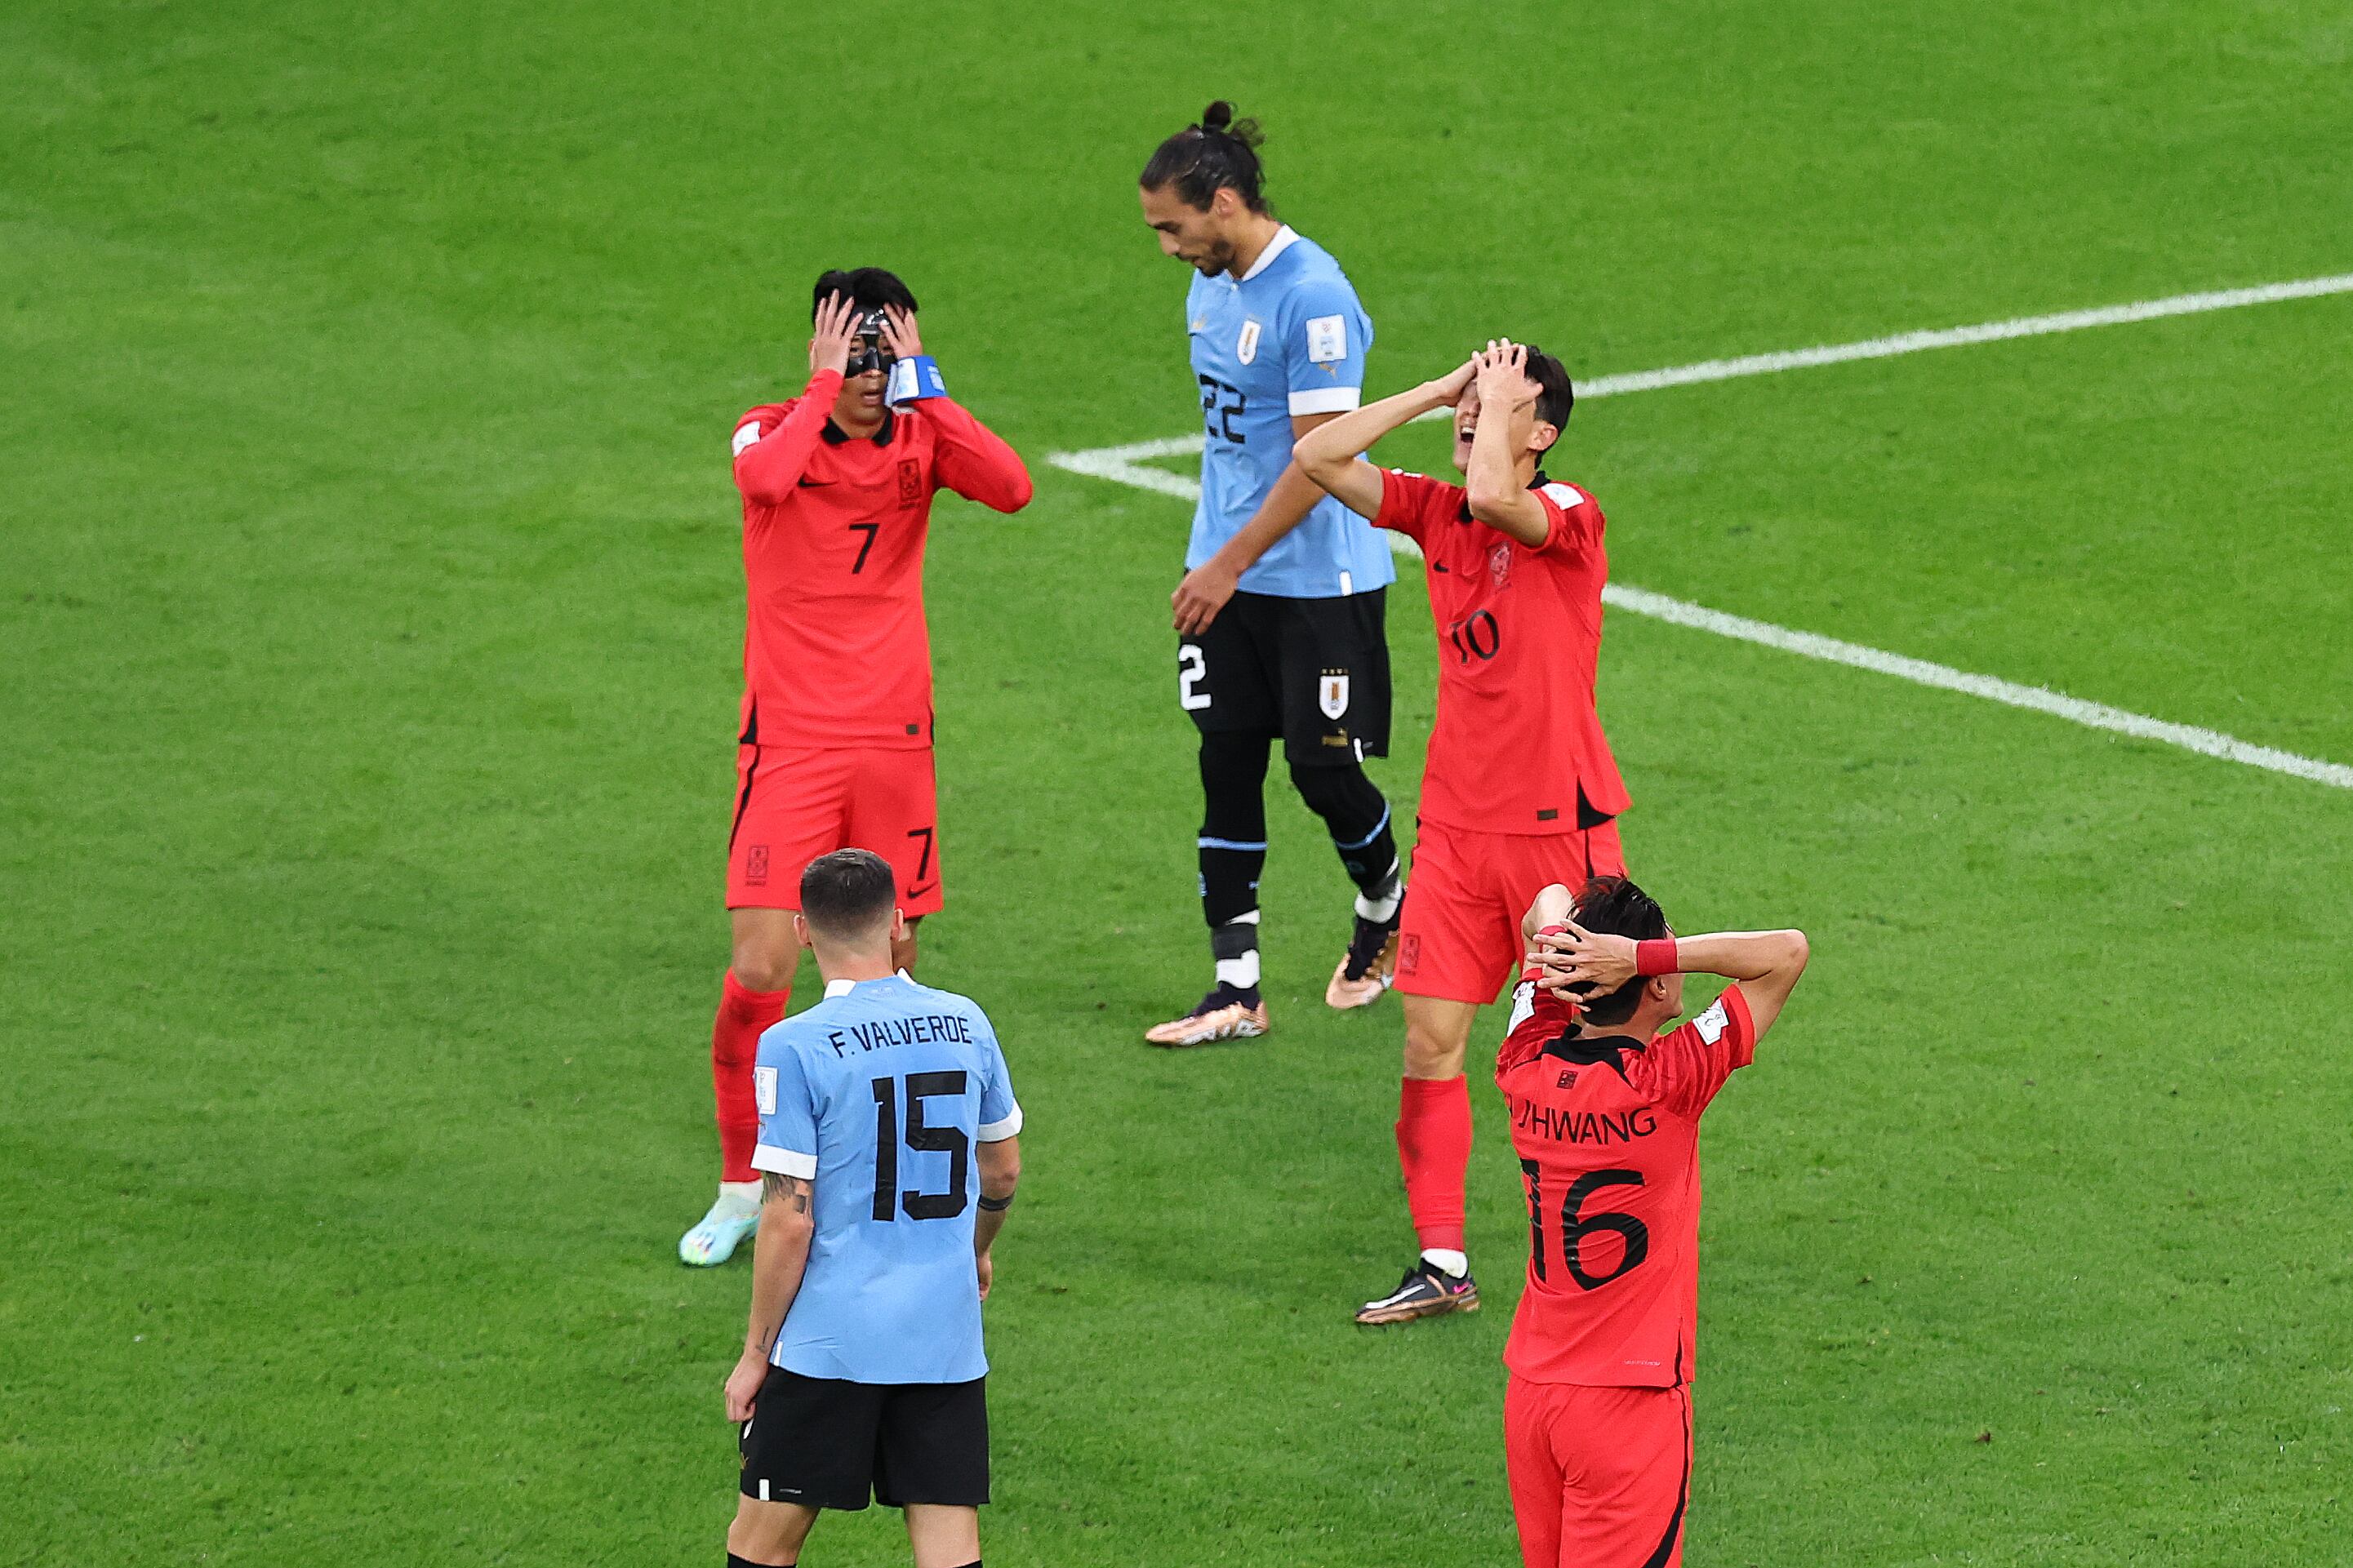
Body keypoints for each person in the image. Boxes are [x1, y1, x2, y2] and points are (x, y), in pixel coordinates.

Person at [682, 272, 1033, 1267]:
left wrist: (928, 382)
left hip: (893, 744)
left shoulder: (924, 434)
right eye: (859, 357)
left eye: (886, 358)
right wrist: (820, 382)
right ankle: (741, 1183)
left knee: (892, 971)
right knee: (763, 967)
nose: (873, 379)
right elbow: (762, 482)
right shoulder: (768, 428)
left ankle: (864, 1177)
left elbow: (1011, 487)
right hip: (790, 743)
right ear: (824, 351)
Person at [1292, 341, 1633, 1322]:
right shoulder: (1435, 509)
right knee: (1429, 1039)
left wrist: (1490, 410)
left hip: (1551, 829)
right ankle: (1443, 1263)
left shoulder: (1566, 516)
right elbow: (1317, 457)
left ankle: (1595, 1242)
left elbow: (1495, 500)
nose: (1469, 420)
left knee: (1579, 1040)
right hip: (1453, 826)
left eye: (1494, 405)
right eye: (1467, 404)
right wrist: (1435, 392)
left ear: (1544, 433)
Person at [1135, 101, 1407, 1048]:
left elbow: (1319, 459)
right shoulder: (1208, 286)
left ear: (1222, 202)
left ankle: (1385, 899)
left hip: (1314, 583)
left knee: (1321, 769)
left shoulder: (1314, 298)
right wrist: (1213, 562)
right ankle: (1234, 985)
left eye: (1173, 226)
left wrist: (1228, 562)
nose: (1166, 247)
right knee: (1224, 760)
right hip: (1222, 573)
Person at [1492, 876, 1807, 1567]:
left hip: (1534, 1398)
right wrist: (1641, 956)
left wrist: (1574, 954)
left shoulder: (1524, 1057)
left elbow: (1544, 898)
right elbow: (1787, 951)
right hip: (1627, 1409)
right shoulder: (1670, 1080)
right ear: (1657, 982)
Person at [722, 849, 1024, 1568]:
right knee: (949, 1542)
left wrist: (756, 1353)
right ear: (896, 921)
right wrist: (977, 1247)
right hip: (944, 1339)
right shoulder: (966, 1021)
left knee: (762, 1542)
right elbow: (1003, 1167)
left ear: (801, 929)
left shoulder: (791, 1046)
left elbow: (789, 1217)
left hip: (831, 1344)